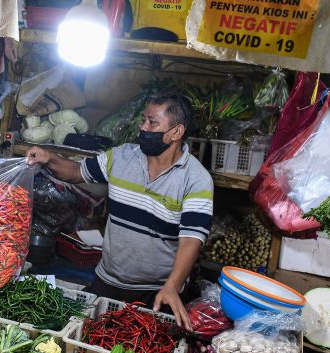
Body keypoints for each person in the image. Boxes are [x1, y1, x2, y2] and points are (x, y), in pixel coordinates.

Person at [26, 92, 213, 330]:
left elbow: (191, 239)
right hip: (107, 282)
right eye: (143, 120)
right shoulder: (122, 156)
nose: (143, 127)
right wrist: (49, 158)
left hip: (155, 292)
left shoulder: (196, 179)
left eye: (152, 123)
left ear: (177, 132)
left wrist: (172, 286)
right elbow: (76, 172)